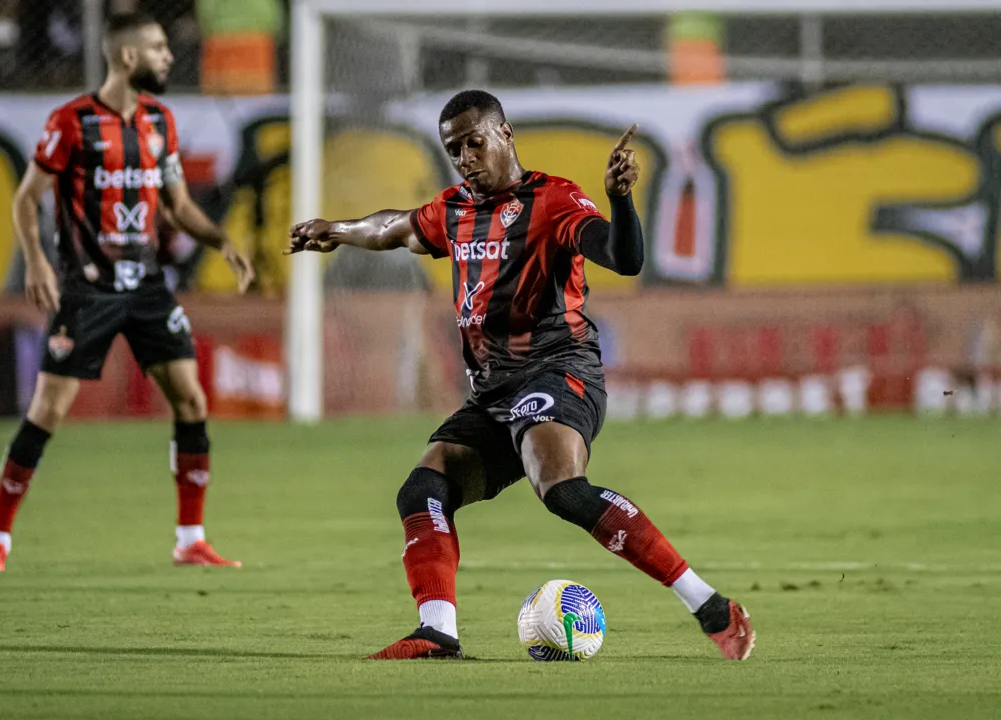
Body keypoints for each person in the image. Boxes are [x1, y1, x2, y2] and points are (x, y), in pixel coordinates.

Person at [288, 90, 755, 661]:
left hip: (560, 369)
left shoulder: (554, 200)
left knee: (559, 488)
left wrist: (620, 199)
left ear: (505, 133)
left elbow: (622, 255)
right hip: (493, 390)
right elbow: (395, 228)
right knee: (423, 489)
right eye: (453, 149)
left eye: (473, 143)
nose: (464, 158)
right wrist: (336, 228)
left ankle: (709, 605)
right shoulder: (454, 209)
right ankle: (437, 633)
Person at [0, 12, 254, 573]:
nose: (168, 56)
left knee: (191, 400)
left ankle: (190, 538)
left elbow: (177, 206)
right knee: (48, 411)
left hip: (147, 286)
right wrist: (36, 261)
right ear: (128, 57)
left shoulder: (160, 122)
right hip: (88, 290)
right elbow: (27, 198)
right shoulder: (72, 121)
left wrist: (221, 240)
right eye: (157, 48)